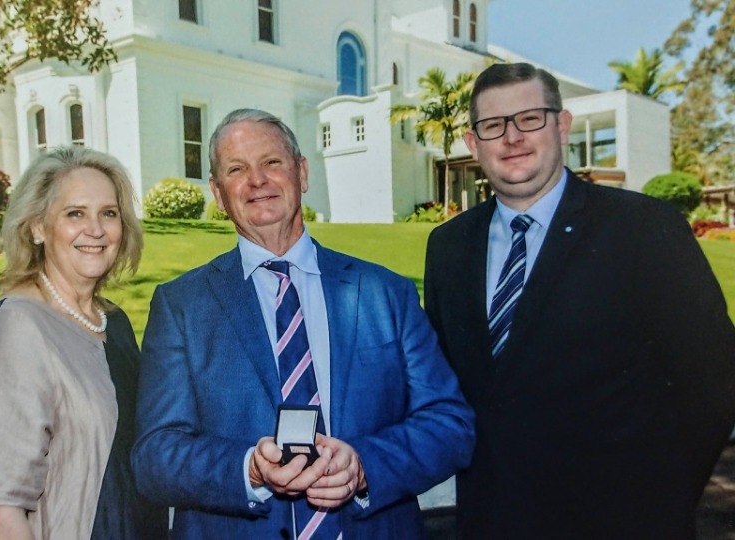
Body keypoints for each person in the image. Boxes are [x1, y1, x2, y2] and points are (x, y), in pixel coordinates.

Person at [423, 62, 735, 539]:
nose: (512, 137)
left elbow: (714, 381)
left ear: (561, 125)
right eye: (493, 125)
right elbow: (445, 383)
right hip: (492, 521)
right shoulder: (448, 246)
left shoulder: (644, 229)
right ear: (473, 143)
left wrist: (662, 503)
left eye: (530, 117)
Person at [133, 108, 475, 539]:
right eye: (237, 169)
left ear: (302, 172)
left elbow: (449, 423)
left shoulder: (385, 293)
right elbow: (155, 456)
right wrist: (249, 470)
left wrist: (366, 465)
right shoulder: (181, 306)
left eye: (272, 162)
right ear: (219, 195)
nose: (257, 180)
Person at [0, 146, 167, 539]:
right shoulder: (16, 326)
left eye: (108, 213)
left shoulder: (116, 323)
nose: (96, 229)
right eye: (75, 213)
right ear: (37, 227)